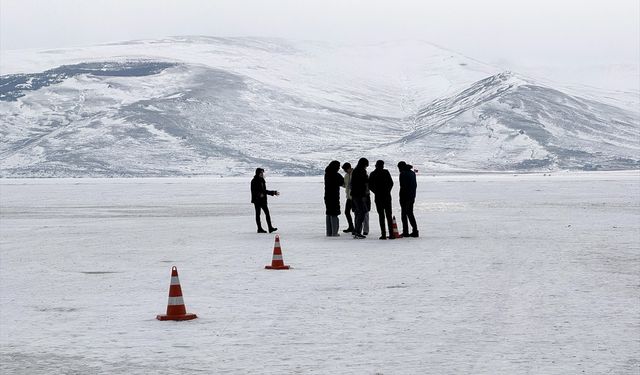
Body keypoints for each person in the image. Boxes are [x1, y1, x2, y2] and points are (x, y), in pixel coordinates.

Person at [369, 160, 394, 239]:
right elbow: (391, 183)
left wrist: (376, 192)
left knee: (381, 216)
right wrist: (387, 190)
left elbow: (370, 185)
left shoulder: (373, 174)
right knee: (389, 215)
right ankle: (391, 234)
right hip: (387, 196)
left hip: (378, 197)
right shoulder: (386, 172)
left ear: (376, 165)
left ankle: (383, 234)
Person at [250, 168, 279, 233]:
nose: (262, 174)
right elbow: (253, 191)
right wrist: (259, 195)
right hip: (257, 201)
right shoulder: (254, 181)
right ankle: (259, 229)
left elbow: (264, 191)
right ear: (258, 173)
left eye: (262, 173)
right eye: (261, 173)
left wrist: (273, 192)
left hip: (263, 200)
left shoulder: (262, 180)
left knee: (267, 213)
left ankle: (270, 228)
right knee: (258, 214)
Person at [397, 161, 418, 237]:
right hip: (412, 196)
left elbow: (403, 186)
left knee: (404, 214)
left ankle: (405, 231)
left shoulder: (403, 173)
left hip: (405, 197)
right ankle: (415, 230)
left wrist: (401, 197)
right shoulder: (412, 173)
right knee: (410, 213)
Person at [350, 158, 370, 239]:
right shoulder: (362, 171)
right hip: (360, 195)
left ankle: (356, 230)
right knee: (362, 211)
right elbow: (365, 181)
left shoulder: (355, 171)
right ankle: (357, 231)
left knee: (359, 212)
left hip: (355, 195)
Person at [324, 160, 344, 236]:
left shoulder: (327, 174)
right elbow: (342, 182)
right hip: (334, 196)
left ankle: (329, 232)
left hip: (327, 196)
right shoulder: (336, 175)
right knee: (334, 214)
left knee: (328, 213)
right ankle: (334, 232)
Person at [341, 162, 355, 233]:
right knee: (347, 212)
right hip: (349, 197)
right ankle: (351, 226)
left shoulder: (355, 174)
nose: (345, 171)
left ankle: (357, 228)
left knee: (356, 213)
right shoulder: (346, 175)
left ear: (349, 168)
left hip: (355, 197)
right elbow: (345, 185)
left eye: (345, 170)